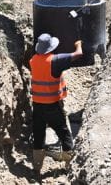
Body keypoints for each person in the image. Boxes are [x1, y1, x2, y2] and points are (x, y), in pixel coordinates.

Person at [29, 33, 83, 175]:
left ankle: (36, 167)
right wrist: (78, 43)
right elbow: (79, 54)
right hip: (52, 105)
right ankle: (69, 163)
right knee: (64, 132)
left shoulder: (33, 60)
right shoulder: (55, 60)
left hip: (37, 106)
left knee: (38, 135)